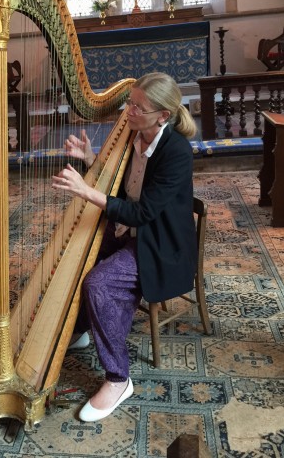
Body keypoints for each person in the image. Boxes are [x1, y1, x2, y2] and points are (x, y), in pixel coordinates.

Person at [52, 72, 198, 422]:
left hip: (160, 243)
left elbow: (142, 212)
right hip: (128, 230)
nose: (128, 111)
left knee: (99, 283)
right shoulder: (132, 135)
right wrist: (90, 159)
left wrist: (86, 191)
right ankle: (85, 327)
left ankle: (119, 379)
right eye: (128, 102)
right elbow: (121, 187)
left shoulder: (176, 151)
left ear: (162, 115)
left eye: (137, 107)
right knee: (73, 257)